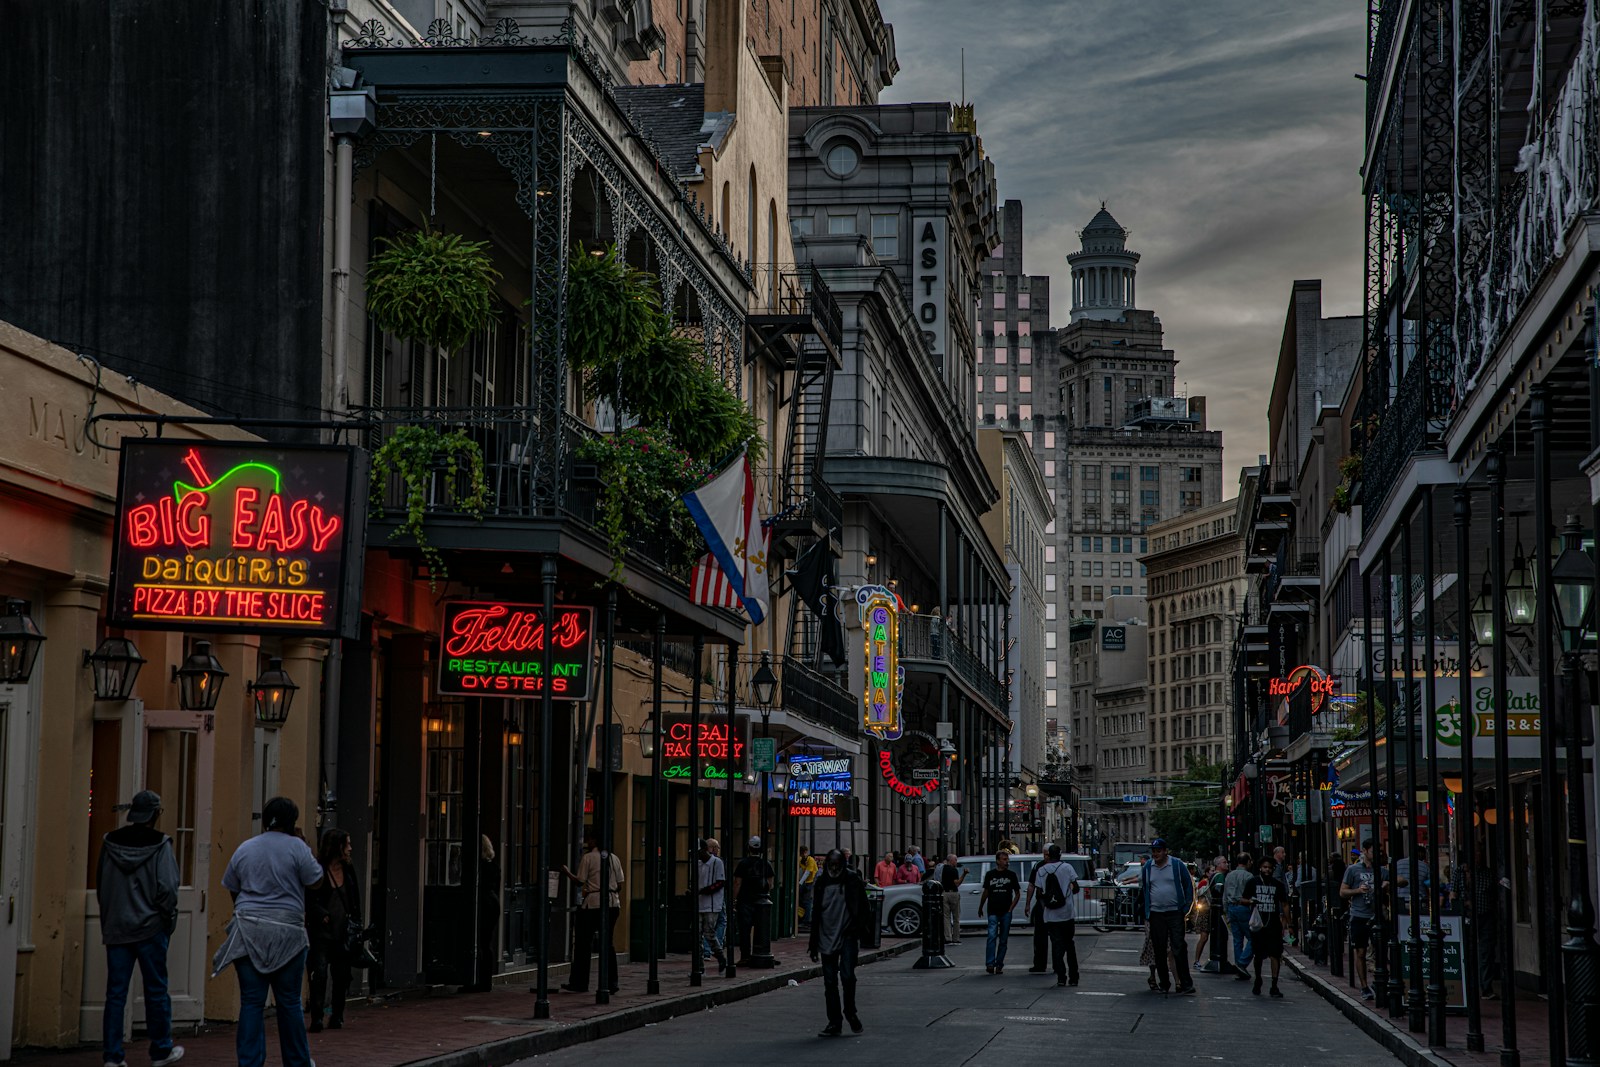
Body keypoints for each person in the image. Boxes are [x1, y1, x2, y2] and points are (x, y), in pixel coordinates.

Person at [212, 796, 324, 1067]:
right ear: (292, 821)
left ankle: (249, 1062)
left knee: (251, 1002)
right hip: (287, 931)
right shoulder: (297, 848)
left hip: (249, 928)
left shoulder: (246, 848)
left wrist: (245, 909)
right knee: (289, 1002)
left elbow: (232, 884)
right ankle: (297, 1061)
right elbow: (316, 881)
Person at [98, 788, 184, 1067]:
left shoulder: (110, 842)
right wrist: (166, 918)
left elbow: (102, 884)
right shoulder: (161, 845)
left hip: (117, 926)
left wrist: (109, 915)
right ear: (155, 815)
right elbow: (168, 888)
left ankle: (112, 1055)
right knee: (156, 990)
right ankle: (160, 1049)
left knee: (115, 993)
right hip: (150, 927)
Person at [808, 849, 870, 1036]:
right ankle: (834, 1022)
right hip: (826, 935)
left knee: (847, 976)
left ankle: (850, 1013)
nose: (834, 868)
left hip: (847, 935)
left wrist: (857, 929)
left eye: (837, 864)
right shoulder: (821, 882)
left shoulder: (852, 879)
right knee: (829, 982)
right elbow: (816, 913)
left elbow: (864, 907)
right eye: (831, 864)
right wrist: (813, 944)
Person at [306, 828, 362, 1032]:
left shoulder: (348, 869)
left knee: (342, 975)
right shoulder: (318, 869)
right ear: (336, 846)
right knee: (319, 973)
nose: (350, 848)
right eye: (346, 844)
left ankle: (337, 1015)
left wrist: (357, 922)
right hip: (322, 931)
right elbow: (309, 897)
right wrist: (321, 913)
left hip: (343, 930)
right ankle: (317, 1016)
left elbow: (354, 896)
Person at [558, 832, 623, 993]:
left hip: (593, 904)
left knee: (583, 944)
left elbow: (579, 881)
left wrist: (567, 872)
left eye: (590, 838)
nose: (588, 841)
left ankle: (580, 982)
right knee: (607, 943)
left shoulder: (589, 858)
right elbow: (620, 883)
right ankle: (612, 982)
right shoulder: (614, 858)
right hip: (613, 903)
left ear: (595, 841)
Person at [1139, 838, 1195, 994]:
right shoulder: (1148, 867)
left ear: (1165, 851)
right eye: (1154, 851)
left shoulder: (1177, 865)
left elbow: (1188, 885)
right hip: (1156, 913)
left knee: (1178, 947)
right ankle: (1164, 982)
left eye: (1158, 851)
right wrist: (1148, 911)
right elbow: (1145, 889)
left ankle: (1186, 983)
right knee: (1159, 949)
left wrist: (1186, 907)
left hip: (1175, 912)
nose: (1156, 854)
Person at [1028, 844, 1081, 986]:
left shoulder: (1041, 870)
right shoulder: (1067, 867)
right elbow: (1076, 888)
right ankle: (1074, 977)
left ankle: (1061, 977)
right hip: (1067, 912)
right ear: (1060, 855)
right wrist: (1067, 891)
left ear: (1048, 855)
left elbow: (1038, 893)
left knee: (1056, 945)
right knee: (1069, 945)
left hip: (1051, 914)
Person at [1242, 853, 1288, 997]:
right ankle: (1258, 979)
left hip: (1273, 924)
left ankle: (1274, 985)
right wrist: (1250, 902)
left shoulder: (1277, 885)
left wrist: (1289, 924)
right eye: (1264, 867)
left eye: (1269, 867)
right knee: (1258, 955)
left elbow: (1285, 904)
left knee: (1275, 955)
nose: (1267, 870)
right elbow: (1242, 899)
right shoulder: (1253, 882)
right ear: (1260, 868)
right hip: (1258, 925)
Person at [1340, 841, 1381, 1000]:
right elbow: (1342, 892)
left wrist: (1386, 884)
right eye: (1373, 850)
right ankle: (1364, 986)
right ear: (1365, 851)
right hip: (1359, 915)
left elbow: (1401, 881)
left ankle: (1378, 981)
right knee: (1360, 951)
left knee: (1380, 952)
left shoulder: (1381, 870)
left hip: (1376, 916)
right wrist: (1357, 890)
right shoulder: (1353, 870)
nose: (1377, 854)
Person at [978, 849, 1022, 974]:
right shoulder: (990, 875)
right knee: (991, 936)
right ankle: (990, 963)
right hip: (993, 910)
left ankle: (999, 963)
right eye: (1004, 859)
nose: (1006, 861)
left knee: (1003, 939)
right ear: (997, 861)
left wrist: (1011, 908)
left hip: (1006, 911)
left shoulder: (1011, 875)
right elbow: (986, 892)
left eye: (1007, 859)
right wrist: (981, 906)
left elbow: (1017, 893)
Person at [732, 835, 775, 965]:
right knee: (761, 929)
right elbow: (770, 884)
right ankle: (759, 952)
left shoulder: (743, 863)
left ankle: (745, 956)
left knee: (744, 930)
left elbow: (737, 883)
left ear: (748, 848)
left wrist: (734, 899)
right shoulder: (765, 864)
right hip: (761, 900)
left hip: (745, 900)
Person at [467, 834, 501, 992]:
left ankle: (478, 979)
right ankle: (486, 980)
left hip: (484, 903)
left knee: (480, 941)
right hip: (493, 903)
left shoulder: (479, 866)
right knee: (486, 943)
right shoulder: (494, 865)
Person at [696, 837, 729, 973]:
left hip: (713, 904)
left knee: (709, 933)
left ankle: (720, 956)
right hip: (700, 903)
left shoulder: (717, 862)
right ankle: (699, 966)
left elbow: (720, 882)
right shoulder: (698, 864)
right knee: (696, 935)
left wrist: (705, 890)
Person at [1223, 851, 1255, 979]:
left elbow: (1225, 895)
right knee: (1253, 938)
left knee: (1237, 940)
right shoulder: (1249, 876)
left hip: (1231, 908)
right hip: (1243, 907)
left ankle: (1238, 964)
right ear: (1247, 862)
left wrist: (1226, 912)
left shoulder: (1229, 875)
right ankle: (1242, 963)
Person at [1394, 845, 1430, 915]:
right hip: (1419, 902)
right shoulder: (1425, 866)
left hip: (1400, 901)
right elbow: (1429, 884)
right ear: (1421, 853)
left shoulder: (1398, 863)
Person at [937, 854, 965, 944]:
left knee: (946, 917)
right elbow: (957, 883)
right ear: (951, 861)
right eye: (955, 860)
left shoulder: (942, 869)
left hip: (944, 893)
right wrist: (964, 874)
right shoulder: (954, 870)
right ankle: (956, 938)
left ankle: (947, 937)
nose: (956, 862)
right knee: (956, 917)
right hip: (953, 893)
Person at [797, 844, 818, 929]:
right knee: (801, 900)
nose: (803, 855)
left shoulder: (811, 860)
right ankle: (802, 918)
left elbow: (807, 872)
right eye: (802, 853)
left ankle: (806, 921)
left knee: (807, 901)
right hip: (805, 882)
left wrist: (799, 883)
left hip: (810, 882)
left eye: (804, 853)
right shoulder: (801, 859)